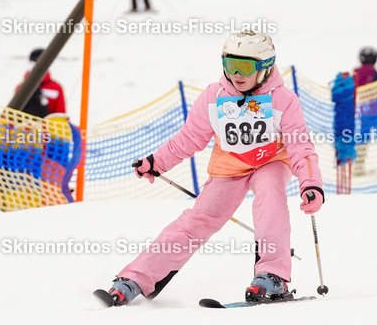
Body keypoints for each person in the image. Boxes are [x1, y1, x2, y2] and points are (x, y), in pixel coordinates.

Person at [100, 30, 324, 305]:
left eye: (245, 67)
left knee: (270, 200)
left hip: (271, 161)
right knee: (195, 221)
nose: (236, 74)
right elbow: (189, 138)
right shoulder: (214, 97)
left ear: (265, 68)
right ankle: (135, 279)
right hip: (229, 166)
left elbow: (300, 146)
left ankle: (272, 276)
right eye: (230, 64)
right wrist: (156, 162)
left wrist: (311, 184)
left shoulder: (283, 100)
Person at [352, 47, 377, 176]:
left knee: (363, 140)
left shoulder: (357, 74)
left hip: (364, 112)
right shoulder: (375, 74)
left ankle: (358, 167)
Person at [15, 48, 67, 118]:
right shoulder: (56, 87)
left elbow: (13, 114)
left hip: (24, 124)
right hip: (48, 124)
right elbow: (60, 115)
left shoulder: (20, 87)